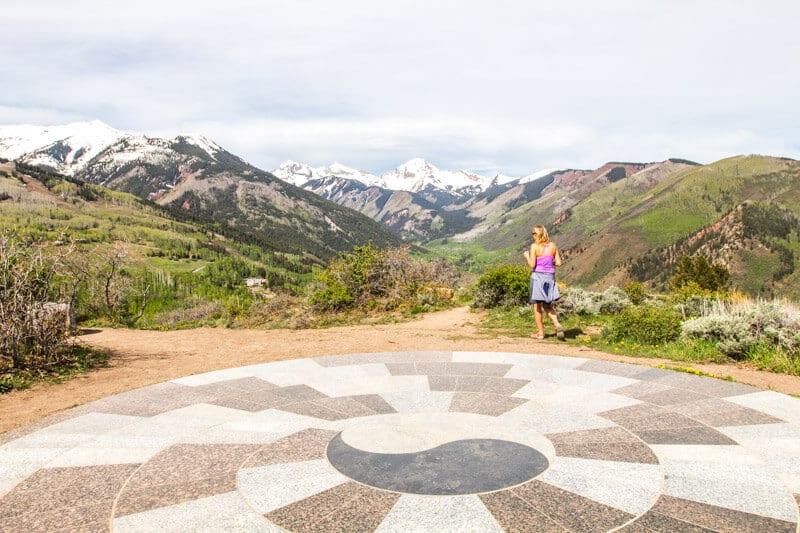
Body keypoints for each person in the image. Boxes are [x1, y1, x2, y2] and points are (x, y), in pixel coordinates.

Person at [523, 225, 564, 340]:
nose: (532, 235)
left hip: (538, 278)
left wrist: (527, 256)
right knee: (547, 304)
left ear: (537, 235)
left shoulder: (534, 247)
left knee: (537, 306)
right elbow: (559, 263)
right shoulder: (552, 246)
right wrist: (548, 262)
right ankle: (556, 323)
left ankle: (540, 333)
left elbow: (532, 264)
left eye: (533, 233)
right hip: (550, 277)